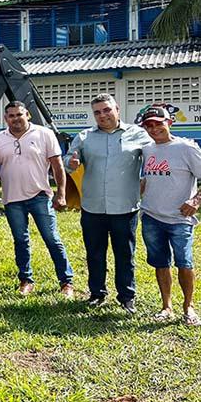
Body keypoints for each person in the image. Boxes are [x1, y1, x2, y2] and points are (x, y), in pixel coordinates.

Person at [65, 93, 152, 314]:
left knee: (124, 254)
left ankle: (126, 296)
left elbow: (157, 157)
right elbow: (68, 161)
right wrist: (71, 163)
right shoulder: (84, 137)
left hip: (125, 207)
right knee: (94, 253)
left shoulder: (138, 135)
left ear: (117, 109)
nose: (102, 115)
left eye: (106, 110)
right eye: (97, 112)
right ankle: (97, 293)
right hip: (93, 207)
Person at [0, 101, 74, 298]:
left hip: (40, 196)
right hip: (12, 200)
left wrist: (61, 193)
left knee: (52, 239)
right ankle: (26, 280)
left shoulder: (44, 134)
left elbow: (57, 166)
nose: (15, 119)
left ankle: (66, 281)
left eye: (19, 114)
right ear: (5, 118)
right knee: (20, 241)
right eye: (11, 115)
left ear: (28, 115)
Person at [138, 106, 201, 326]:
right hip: (151, 216)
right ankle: (166, 306)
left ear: (170, 122)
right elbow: (146, 179)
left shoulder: (186, 148)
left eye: (158, 123)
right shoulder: (146, 150)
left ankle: (188, 307)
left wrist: (195, 201)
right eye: (149, 125)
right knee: (160, 263)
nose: (154, 128)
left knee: (184, 262)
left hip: (179, 219)